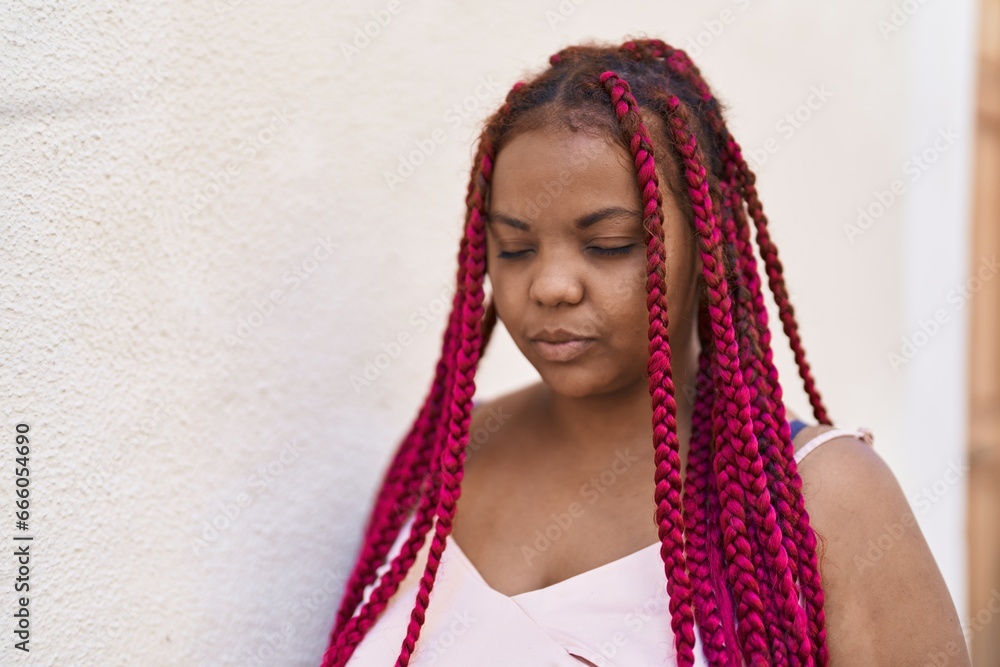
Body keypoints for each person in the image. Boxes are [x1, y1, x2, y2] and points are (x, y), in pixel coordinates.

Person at [321, 38, 970, 666]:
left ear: (710, 245)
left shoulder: (826, 495)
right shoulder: (447, 456)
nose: (550, 286)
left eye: (609, 244)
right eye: (515, 248)